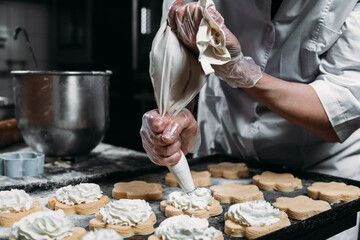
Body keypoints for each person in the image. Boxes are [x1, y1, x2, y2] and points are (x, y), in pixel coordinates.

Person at [140, 0, 360, 239]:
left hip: (320, 168)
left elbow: (341, 107)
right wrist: (177, 114)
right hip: (224, 158)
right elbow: (175, 55)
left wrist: (240, 70)